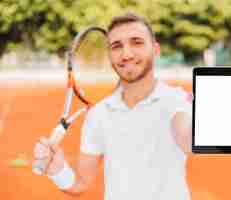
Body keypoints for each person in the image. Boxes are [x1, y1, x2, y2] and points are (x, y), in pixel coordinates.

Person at [33, 12, 193, 200]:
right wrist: (58, 171)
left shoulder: (179, 100)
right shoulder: (98, 114)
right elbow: (81, 184)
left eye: (137, 42)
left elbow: (187, 139)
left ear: (156, 50)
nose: (126, 54)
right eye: (117, 46)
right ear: (110, 56)